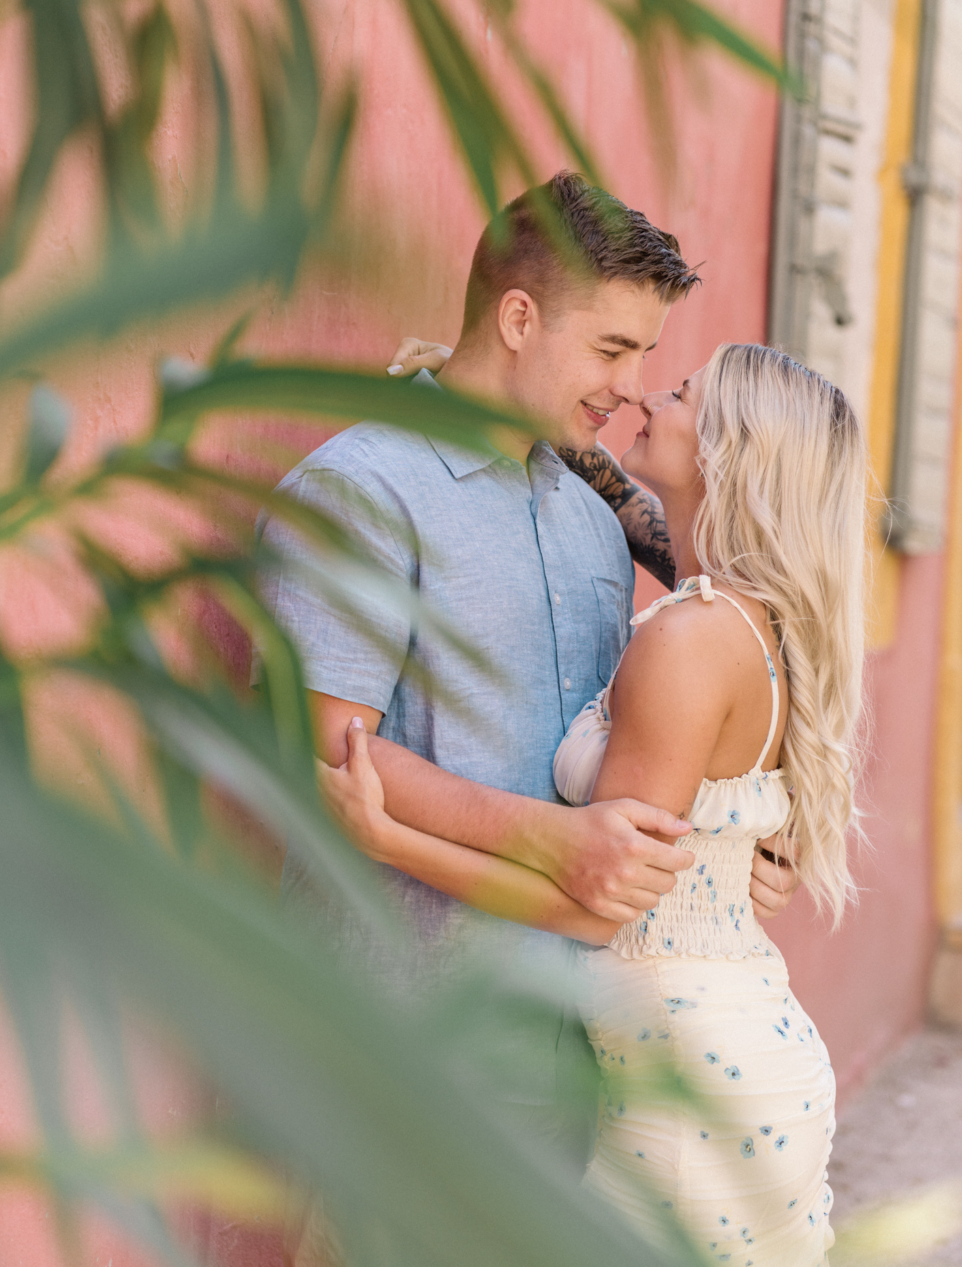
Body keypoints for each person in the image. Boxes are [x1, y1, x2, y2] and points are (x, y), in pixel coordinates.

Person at [258, 173, 799, 1192]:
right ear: (516, 317)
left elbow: (733, 648)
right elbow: (327, 760)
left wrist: (741, 843)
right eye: (611, 348)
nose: (635, 384)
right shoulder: (358, 492)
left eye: (645, 354)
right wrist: (551, 839)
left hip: (582, 1045)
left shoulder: (594, 514)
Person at [325, 342, 867, 1267]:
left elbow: (594, 900)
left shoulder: (694, 638)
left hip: (693, 1077)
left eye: (682, 391)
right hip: (727, 1052)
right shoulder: (743, 616)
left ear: (729, 452)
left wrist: (387, 833)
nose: (648, 391)